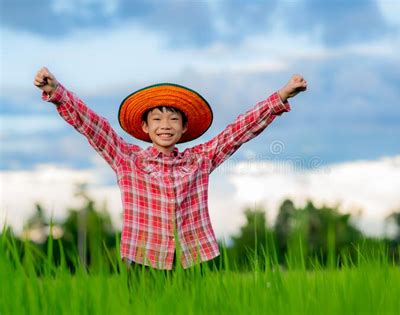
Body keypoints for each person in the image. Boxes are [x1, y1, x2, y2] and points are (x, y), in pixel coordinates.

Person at [33, 67, 308, 273]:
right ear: (145, 127)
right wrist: (57, 92)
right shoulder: (127, 160)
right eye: (157, 118)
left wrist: (281, 96)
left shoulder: (199, 160)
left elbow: (237, 132)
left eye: (173, 119)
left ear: (184, 127)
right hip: (143, 260)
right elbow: (93, 126)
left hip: (192, 261)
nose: (165, 125)